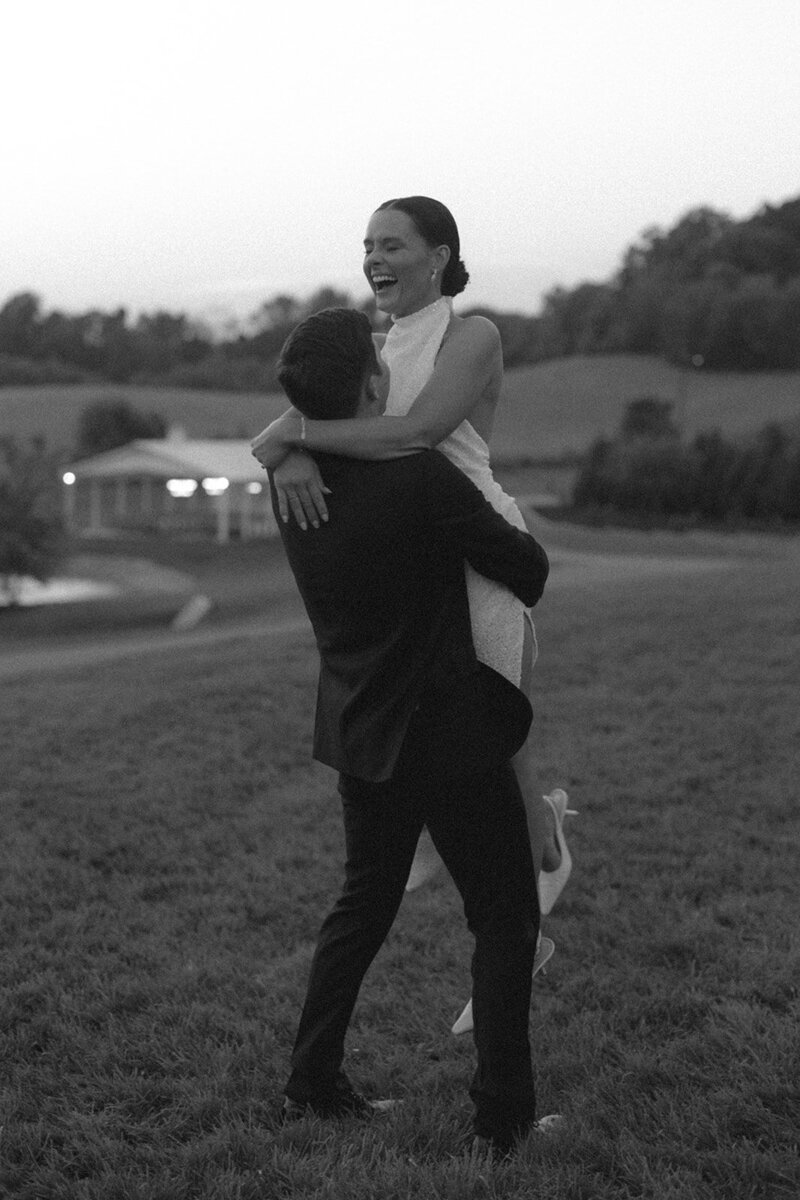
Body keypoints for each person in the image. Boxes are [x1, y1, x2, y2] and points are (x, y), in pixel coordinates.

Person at [251, 197, 575, 1029]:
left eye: (391, 244)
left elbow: (419, 432)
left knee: (498, 730)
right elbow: (281, 427)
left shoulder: (476, 337)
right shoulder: (370, 342)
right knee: (466, 743)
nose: (374, 258)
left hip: (477, 541)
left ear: (439, 255)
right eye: (366, 245)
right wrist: (285, 449)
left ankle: (535, 871)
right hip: (416, 545)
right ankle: (526, 869)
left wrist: (299, 441)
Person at [268, 306, 559, 1155]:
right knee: (505, 918)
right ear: (371, 384)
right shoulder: (423, 479)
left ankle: (311, 1083)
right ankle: (504, 1123)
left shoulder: (294, 484)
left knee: (360, 907)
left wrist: (286, 442)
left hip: (359, 729)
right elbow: (528, 572)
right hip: (450, 735)